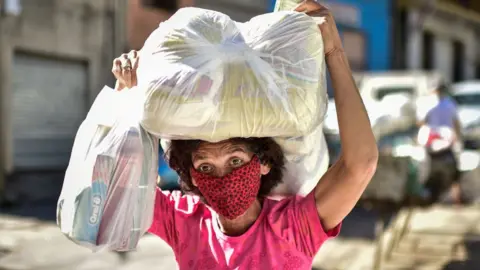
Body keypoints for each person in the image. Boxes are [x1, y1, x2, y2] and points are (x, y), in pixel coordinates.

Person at [112, 1, 378, 268]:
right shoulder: (183, 222)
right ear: (191, 174)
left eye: (236, 161)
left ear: (264, 162)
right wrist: (126, 91)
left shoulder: (293, 227)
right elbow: (115, 184)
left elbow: (360, 164)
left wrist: (334, 52)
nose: (223, 178)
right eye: (205, 166)